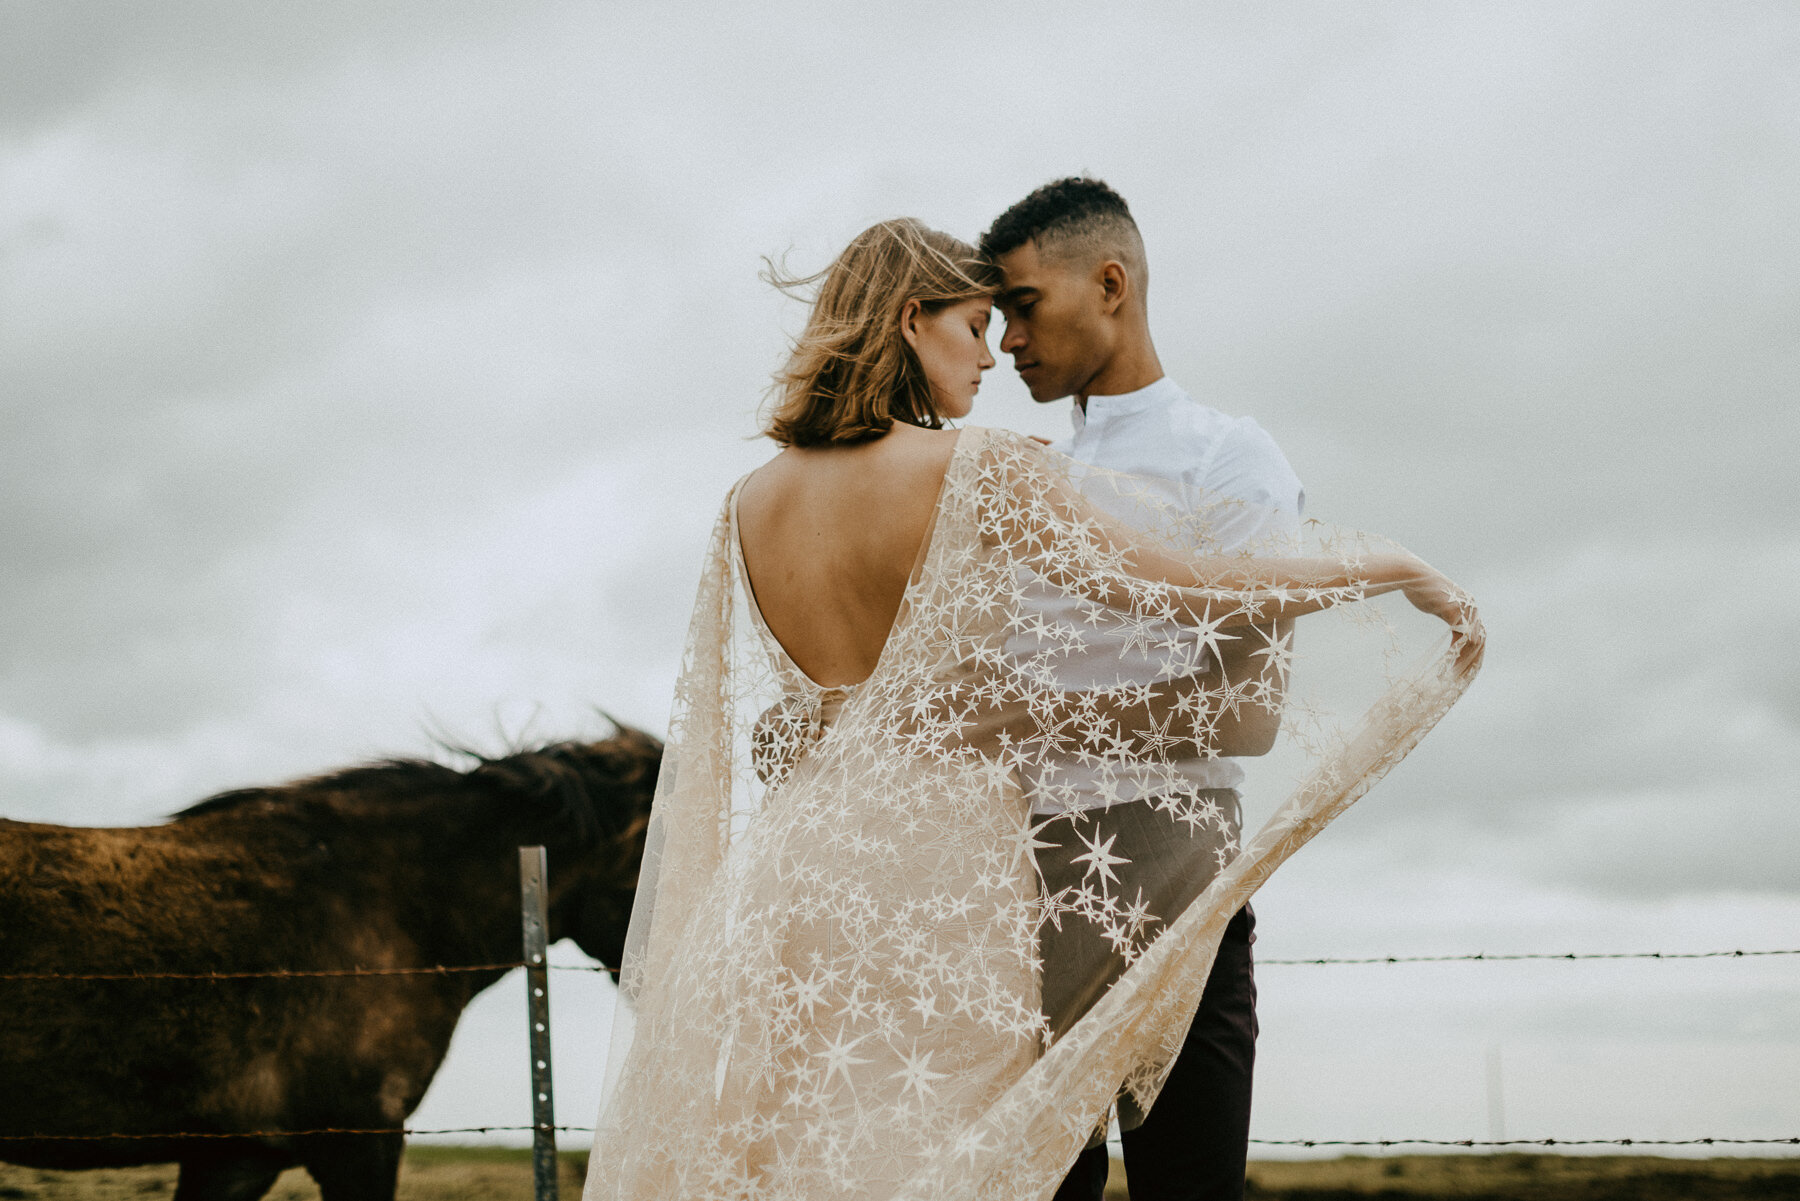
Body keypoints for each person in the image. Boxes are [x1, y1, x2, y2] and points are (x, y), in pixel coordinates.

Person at [584, 218, 1482, 1201]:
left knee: (824, 1152)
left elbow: (778, 729)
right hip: (945, 869)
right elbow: (1186, 587)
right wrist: (1382, 567)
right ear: (910, 321)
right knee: (954, 1159)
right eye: (974, 325)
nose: (990, 356)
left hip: (807, 870)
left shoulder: (747, 503)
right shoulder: (979, 469)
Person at [980, 176, 1293, 1201]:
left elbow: (1249, 715)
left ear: (1109, 282)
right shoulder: (1024, 481)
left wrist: (1037, 718)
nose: (1007, 338)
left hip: (1183, 895)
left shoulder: (1230, 461)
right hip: (1016, 903)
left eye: (1023, 304)